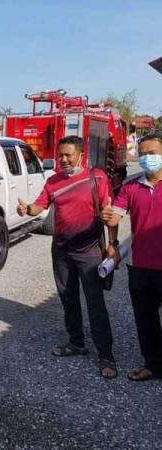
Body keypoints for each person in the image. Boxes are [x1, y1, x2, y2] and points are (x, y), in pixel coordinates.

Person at [18, 136, 117, 379]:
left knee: (95, 303)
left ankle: (106, 355)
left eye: (68, 155)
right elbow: (40, 206)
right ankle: (76, 342)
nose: (63, 159)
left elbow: (109, 213)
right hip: (61, 250)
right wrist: (27, 209)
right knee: (68, 298)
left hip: (90, 250)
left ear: (81, 155)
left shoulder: (97, 177)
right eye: (60, 155)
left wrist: (112, 244)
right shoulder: (53, 182)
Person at [101, 133, 162, 381]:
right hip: (141, 266)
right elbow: (116, 215)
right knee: (145, 319)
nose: (148, 158)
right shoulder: (130, 187)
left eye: (153, 153)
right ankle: (154, 365)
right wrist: (111, 228)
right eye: (144, 154)